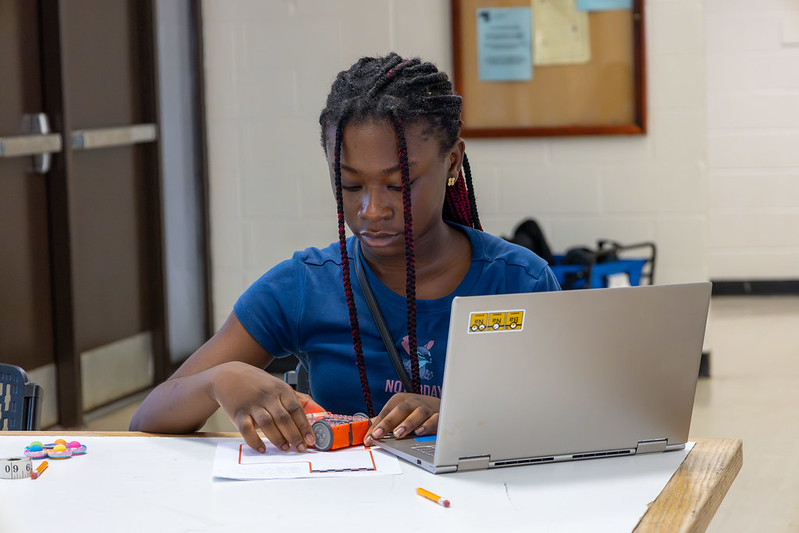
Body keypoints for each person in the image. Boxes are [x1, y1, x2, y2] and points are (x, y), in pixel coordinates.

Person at [130, 52, 560, 453]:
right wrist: (216, 382)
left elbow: (568, 421)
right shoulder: (304, 285)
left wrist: (458, 419)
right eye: (351, 185)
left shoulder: (519, 281)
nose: (371, 210)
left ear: (451, 162)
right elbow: (147, 420)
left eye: (398, 184)